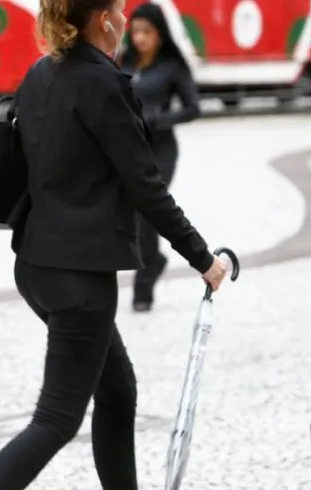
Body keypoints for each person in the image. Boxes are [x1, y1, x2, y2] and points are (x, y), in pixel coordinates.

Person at [0, 0, 228, 490]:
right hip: (79, 277)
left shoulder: (41, 73)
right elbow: (146, 186)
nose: (124, 17)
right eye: (119, 9)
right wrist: (203, 259)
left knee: (118, 390)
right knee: (56, 419)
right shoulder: (105, 85)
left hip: (36, 264)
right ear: (104, 19)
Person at [118, 2, 201, 312]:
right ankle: (154, 260)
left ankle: (143, 286)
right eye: (135, 31)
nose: (140, 38)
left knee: (147, 210)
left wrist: (159, 119)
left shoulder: (172, 66)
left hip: (161, 151)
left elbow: (193, 108)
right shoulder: (123, 62)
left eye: (147, 32)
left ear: (160, 34)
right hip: (129, 149)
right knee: (131, 213)